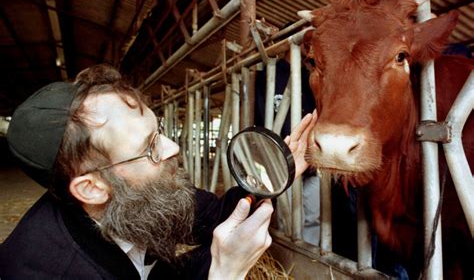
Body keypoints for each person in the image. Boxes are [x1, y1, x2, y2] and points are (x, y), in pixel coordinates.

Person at [0, 64, 317, 279]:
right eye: (150, 146)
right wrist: (225, 272)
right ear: (92, 188)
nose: (172, 148)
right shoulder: (47, 270)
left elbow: (220, 215)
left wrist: (271, 177)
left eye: (159, 131)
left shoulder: (142, 190)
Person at [254, 27, 320, 246]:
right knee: (286, 218)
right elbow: (261, 117)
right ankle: (289, 254)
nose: (309, 45)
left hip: (311, 162)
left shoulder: (312, 76)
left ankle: (309, 259)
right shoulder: (268, 75)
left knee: (314, 216)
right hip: (282, 161)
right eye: (304, 40)